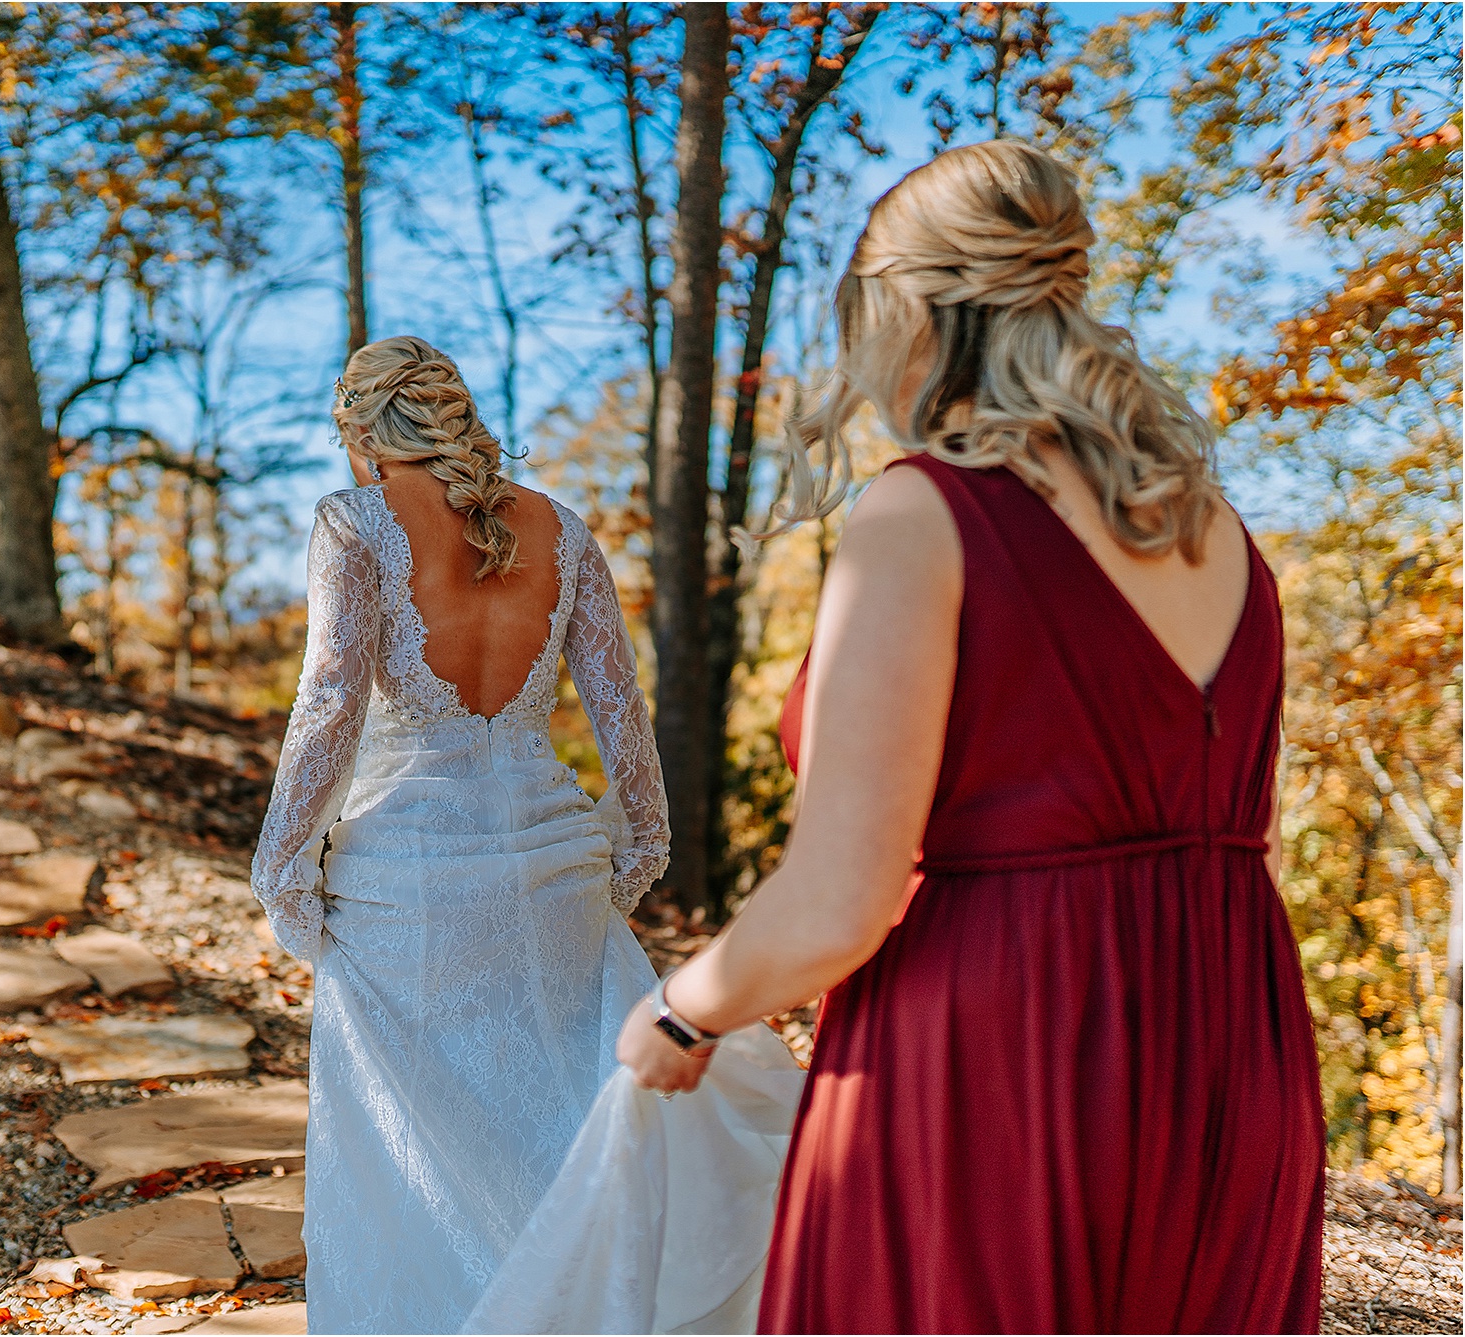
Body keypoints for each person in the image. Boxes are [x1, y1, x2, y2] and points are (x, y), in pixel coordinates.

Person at [614, 140, 1324, 1333]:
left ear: (908, 311)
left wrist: (684, 1006)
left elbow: (840, 897)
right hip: (1233, 1040)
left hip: (1004, 1042)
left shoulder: (923, 510)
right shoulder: (1217, 534)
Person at [251, 336, 799, 1335]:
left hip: (405, 878)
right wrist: (639, 835)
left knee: (408, 1147)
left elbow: (329, 693)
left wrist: (283, 861)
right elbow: (616, 698)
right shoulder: (560, 524)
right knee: (556, 1112)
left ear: (364, 431)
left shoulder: (353, 523)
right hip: (552, 863)